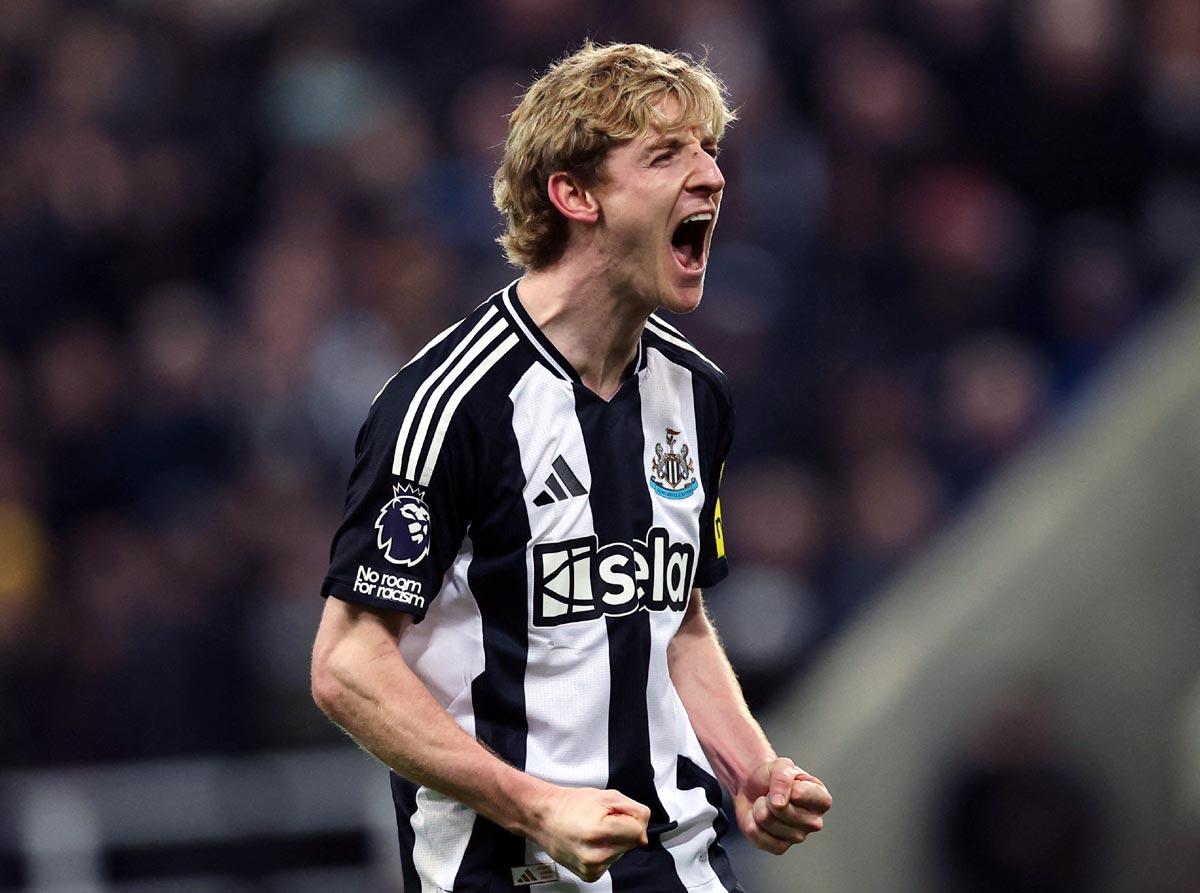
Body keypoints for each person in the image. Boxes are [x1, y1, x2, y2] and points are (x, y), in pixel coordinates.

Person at [311, 41, 831, 892]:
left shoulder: (698, 395)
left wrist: (752, 771)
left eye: (708, 151)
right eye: (667, 155)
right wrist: (535, 804)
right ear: (574, 194)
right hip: (506, 869)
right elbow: (346, 664)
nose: (710, 177)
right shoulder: (448, 407)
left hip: (676, 860)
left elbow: (676, 615)